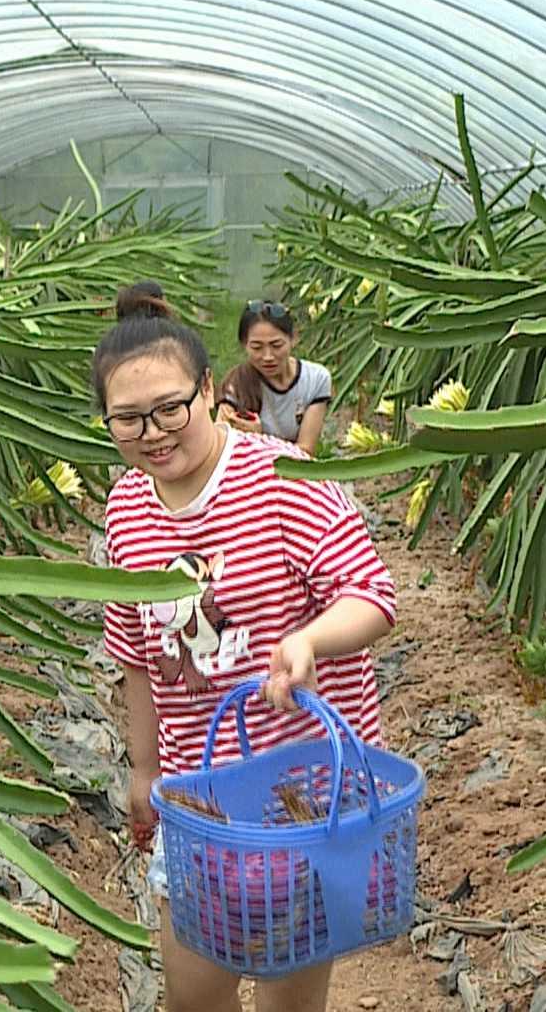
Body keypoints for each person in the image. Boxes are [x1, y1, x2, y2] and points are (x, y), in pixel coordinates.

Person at [94, 281, 397, 1012]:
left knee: (290, 999)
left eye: (170, 408)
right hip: (200, 798)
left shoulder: (283, 480)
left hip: (306, 791)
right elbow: (135, 655)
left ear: (208, 390)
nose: (153, 433)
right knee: (195, 997)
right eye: (127, 420)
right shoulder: (126, 507)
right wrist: (143, 771)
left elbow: (371, 596)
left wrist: (308, 641)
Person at [233, 298, 332, 454]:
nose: (267, 356)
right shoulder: (236, 384)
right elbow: (222, 447)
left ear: (294, 338)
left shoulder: (316, 379)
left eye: (276, 345)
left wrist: (260, 439)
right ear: (244, 344)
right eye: (257, 347)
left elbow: (305, 451)